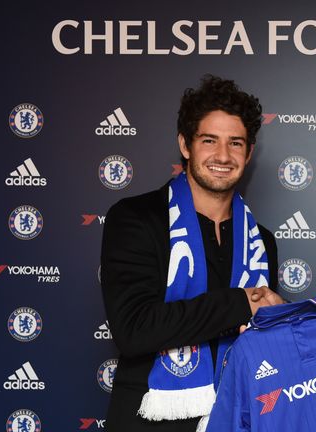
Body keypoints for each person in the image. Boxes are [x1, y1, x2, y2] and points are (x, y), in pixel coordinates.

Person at [101, 75, 284, 431]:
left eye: (235, 143)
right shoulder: (137, 219)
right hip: (150, 421)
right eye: (209, 140)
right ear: (185, 145)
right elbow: (135, 330)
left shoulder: (260, 243)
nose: (222, 156)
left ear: (248, 153)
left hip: (239, 417)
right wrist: (240, 303)